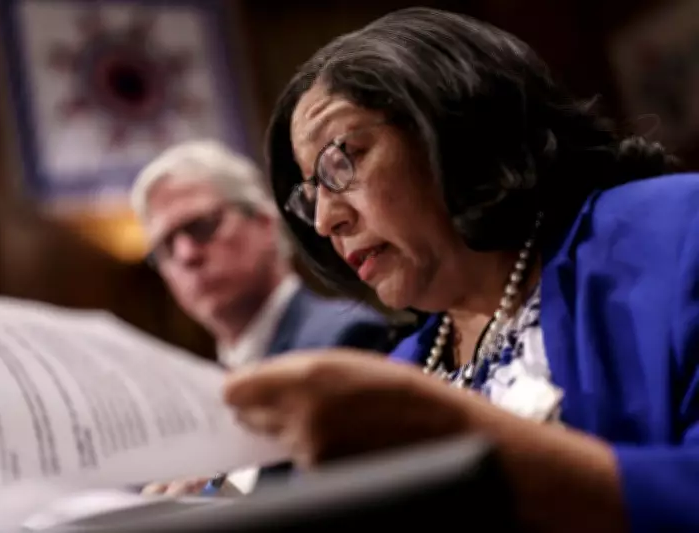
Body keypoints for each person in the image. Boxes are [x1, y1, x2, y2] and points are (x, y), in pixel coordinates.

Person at [222, 7, 699, 533]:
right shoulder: (401, 369)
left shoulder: (675, 230)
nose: (325, 219)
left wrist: (469, 442)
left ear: (452, 122)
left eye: (342, 162)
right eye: (310, 194)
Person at [129, 140, 396, 495]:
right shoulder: (204, 393)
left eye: (201, 226)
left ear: (265, 223)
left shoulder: (343, 339)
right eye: (165, 246)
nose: (186, 255)